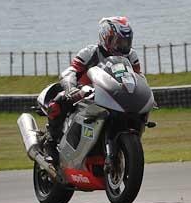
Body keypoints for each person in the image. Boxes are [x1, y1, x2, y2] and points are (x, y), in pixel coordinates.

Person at [44, 16, 141, 162]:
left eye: (126, 42)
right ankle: (50, 143)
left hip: (114, 96)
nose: (123, 46)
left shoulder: (131, 56)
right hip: (84, 94)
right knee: (58, 101)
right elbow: (70, 72)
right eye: (118, 41)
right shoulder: (90, 52)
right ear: (105, 37)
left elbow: (138, 77)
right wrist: (71, 89)